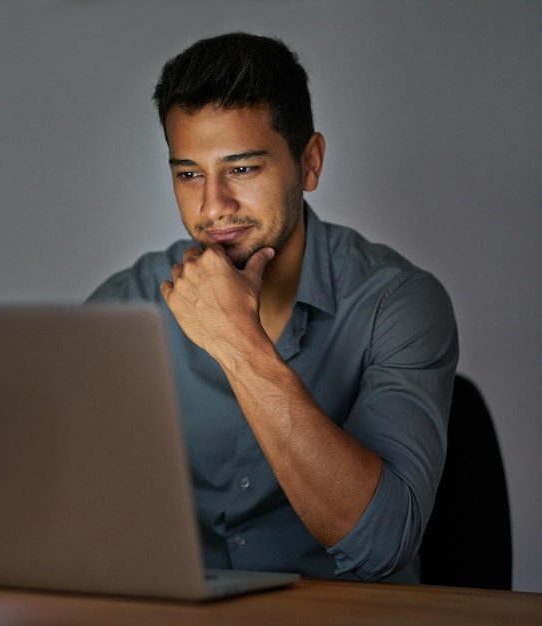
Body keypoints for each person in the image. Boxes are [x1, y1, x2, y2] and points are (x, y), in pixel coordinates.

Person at [87, 32, 458, 583]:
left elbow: (383, 544)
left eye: (242, 168)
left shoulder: (397, 303)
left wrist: (237, 341)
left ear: (309, 164)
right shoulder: (125, 306)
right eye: (189, 173)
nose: (213, 206)